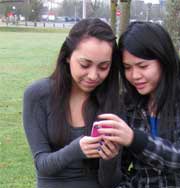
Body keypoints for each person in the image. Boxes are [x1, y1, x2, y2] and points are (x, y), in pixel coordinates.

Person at [95, 21, 180, 188]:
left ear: (164, 60)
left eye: (143, 66)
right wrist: (110, 158)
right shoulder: (128, 104)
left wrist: (134, 138)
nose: (135, 75)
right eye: (127, 67)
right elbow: (122, 172)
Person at [23, 18, 121, 188]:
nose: (93, 75)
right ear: (68, 56)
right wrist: (76, 149)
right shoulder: (37, 95)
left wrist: (109, 159)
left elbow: (110, 182)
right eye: (85, 64)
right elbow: (43, 165)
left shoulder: (114, 102)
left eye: (103, 67)